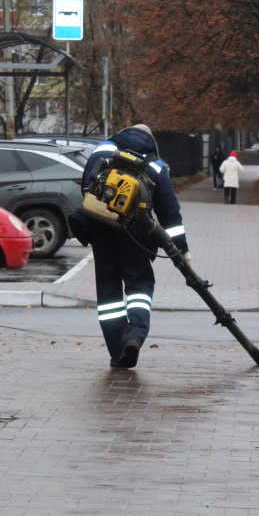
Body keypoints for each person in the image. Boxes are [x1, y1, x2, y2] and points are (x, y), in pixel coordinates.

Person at [69, 124, 189, 369]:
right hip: (136, 233)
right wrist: (181, 250)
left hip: (101, 227)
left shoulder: (102, 150)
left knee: (108, 293)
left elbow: (86, 187)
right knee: (140, 285)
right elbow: (170, 213)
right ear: (151, 141)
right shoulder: (156, 165)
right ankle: (135, 334)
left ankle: (118, 351)